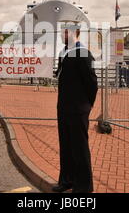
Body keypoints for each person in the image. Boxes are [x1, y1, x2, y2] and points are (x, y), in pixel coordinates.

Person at [52, 23, 98, 193]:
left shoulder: (84, 53)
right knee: (66, 145)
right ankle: (67, 180)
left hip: (79, 108)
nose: (62, 35)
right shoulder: (63, 52)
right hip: (63, 107)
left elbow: (92, 82)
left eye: (65, 32)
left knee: (79, 148)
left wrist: (87, 104)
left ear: (73, 33)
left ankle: (83, 187)